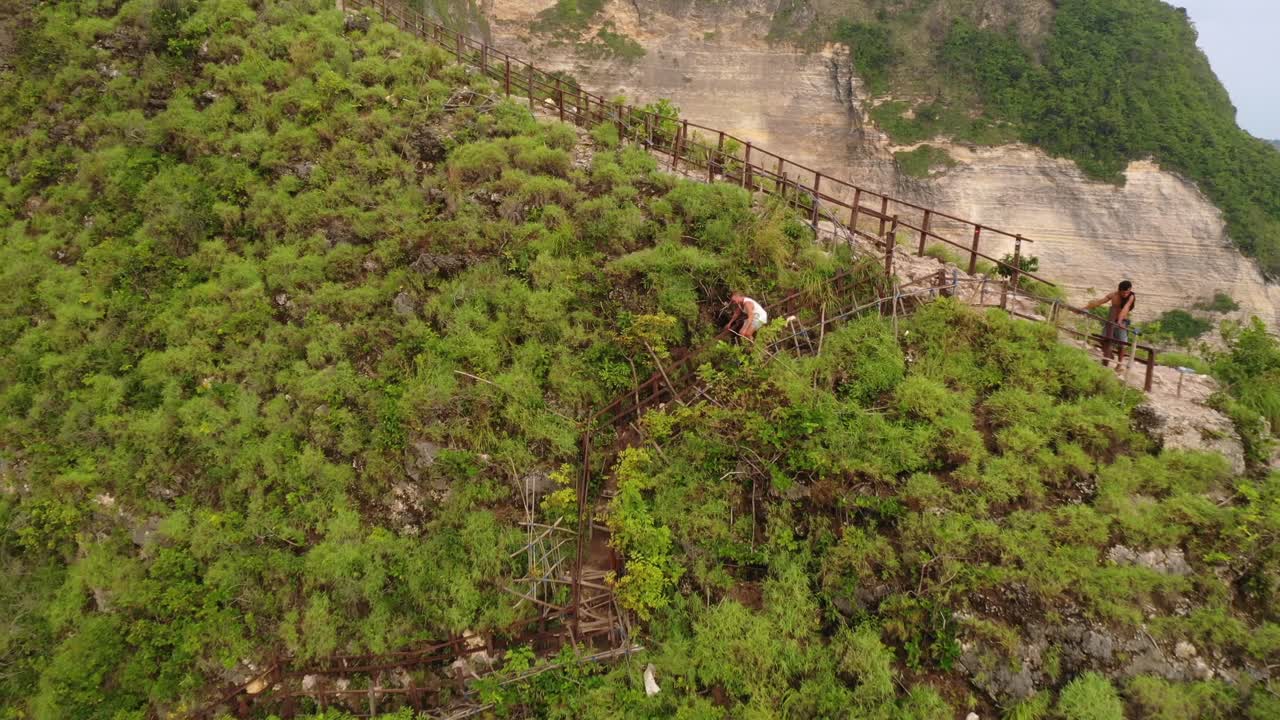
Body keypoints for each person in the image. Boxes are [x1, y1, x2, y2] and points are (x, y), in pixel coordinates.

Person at [1085, 280, 1136, 369]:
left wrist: (1119, 321)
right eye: (1123, 293)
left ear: (1130, 290)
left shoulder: (1131, 297)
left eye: (1127, 292)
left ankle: (1119, 365)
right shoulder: (1113, 295)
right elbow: (1099, 302)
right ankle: (1109, 354)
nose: (1125, 294)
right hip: (1111, 320)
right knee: (1103, 339)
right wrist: (1085, 308)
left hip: (1122, 322)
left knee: (1122, 344)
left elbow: (1126, 308)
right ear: (1119, 290)